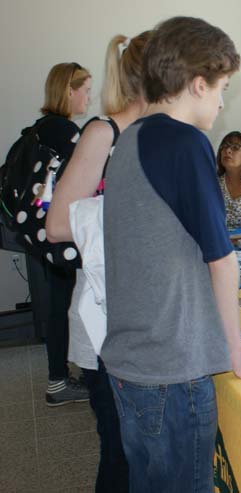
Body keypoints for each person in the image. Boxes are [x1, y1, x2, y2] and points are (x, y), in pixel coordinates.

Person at [101, 17, 241, 492]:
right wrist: (235, 355)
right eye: (221, 88)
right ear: (198, 84)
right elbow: (220, 261)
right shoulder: (184, 142)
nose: (222, 102)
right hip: (171, 370)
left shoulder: (130, 138)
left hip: (133, 363)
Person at [47, 31, 151, 493]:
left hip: (145, 317)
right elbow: (58, 224)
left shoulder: (155, 135)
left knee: (144, 451)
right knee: (120, 449)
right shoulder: (102, 132)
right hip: (104, 316)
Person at [35, 62, 92, 406]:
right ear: (69, 90)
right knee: (66, 303)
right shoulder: (64, 130)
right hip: (60, 231)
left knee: (59, 302)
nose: (89, 96)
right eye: (85, 89)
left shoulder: (43, 128)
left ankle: (63, 375)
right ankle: (60, 379)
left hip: (42, 228)